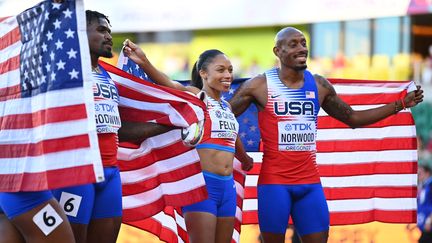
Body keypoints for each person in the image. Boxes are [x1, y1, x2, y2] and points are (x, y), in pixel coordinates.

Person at [228, 27, 424, 243]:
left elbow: (353, 119)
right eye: (293, 44)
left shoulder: (319, 85)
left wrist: (400, 104)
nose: (302, 48)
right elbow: (223, 116)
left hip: (310, 183)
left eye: (303, 43)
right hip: (275, 184)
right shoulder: (260, 85)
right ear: (278, 51)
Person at [50, 10, 174, 243]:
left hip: (109, 172)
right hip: (76, 172)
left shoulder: (107, 76)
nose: (109, 36)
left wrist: (167, 125)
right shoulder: (64, 71)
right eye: (101, 30)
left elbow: (117, 128)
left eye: (109, 31)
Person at [122, 39, 254, 243]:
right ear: (203, 73)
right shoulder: (196, 97)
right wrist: (144, 61)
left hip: (228, 188)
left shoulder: (227, 106)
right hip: (201, 185)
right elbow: (169, 84)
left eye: (230, 70)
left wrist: (244, 157)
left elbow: (232, 135)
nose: (227, 75)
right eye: (220, 70)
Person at [417, 163, 432, 243]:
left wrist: (429, 221)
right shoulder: (422, 186)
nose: (418, 175)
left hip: (428, 224)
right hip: (422, 223)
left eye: (420, 173)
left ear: (427, 173)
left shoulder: (430, 185)